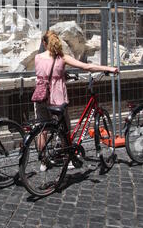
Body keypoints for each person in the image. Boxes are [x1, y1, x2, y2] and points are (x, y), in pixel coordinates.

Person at [33, 30, 119, 171]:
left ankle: (43, 162)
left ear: (44, 43)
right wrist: (108, 68)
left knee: (43, 130)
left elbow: (45, 73)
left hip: (41, 97)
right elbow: (87, 67)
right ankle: (70, 159)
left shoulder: (37, 58)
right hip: (57, 98)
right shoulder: (62, 58)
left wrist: (60, 74)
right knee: (64, 129)